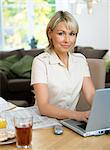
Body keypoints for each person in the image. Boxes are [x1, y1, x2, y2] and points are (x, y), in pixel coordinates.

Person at [31, 11, 95, 122]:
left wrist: (103, 110)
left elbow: (90, 95)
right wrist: (78, 115)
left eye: (72, 34)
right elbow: (43, 107)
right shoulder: (40, 62)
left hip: (70, 122)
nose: (67, 40)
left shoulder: (80, 60)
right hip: (44, 122)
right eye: (61, 33)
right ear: (50, 34)